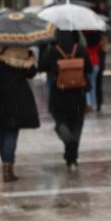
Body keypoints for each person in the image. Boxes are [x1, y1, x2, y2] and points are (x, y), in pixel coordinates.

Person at [40, 30, 92, 170]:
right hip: (78, 94)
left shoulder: (53, 50)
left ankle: (68, 141)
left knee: (61, 121)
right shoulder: (80, 49)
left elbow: (42, 66)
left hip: (59, 94)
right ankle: (72, 157)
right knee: (77, 124)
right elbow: (89, 68)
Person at [0, 46, 40, 182]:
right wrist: (29, 57)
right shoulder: (22, 52)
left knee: (2, 131)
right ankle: (8, 167)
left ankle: (5, 163)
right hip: (17, 97)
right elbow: (31, 73)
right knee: (11, 132)